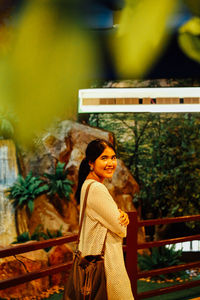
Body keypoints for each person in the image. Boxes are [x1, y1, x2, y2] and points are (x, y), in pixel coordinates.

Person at [75, 138, 134, 300]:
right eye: (104, 158)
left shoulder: (86, 186)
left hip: (92, 261)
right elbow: (121, 229)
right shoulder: (97, 189)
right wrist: (122, 217)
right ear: (91, 163)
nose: (110, 163)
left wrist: (119, 213)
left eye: (113, 157)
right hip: (107, 264)